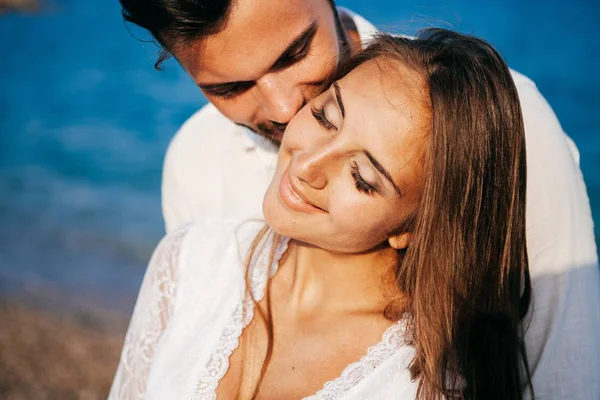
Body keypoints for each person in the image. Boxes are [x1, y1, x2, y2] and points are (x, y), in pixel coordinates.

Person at [118, 0, 600, 397]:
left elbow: (565, 372)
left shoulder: (500, 125)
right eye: (231, 87)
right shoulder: (194, 168)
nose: (287, 109)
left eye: (294, 53)